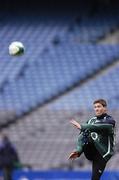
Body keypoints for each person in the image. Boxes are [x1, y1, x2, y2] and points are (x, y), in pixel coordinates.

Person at [69, 99, 116, 180]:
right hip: (91, 150)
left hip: (103, 154)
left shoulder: (109, 120)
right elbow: (81, 136)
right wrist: (78, 150)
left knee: (95, 178)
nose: (96, 109)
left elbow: (99, 127)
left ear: (105, 108)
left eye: (99, 106)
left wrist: (83, 127)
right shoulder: (91, 120)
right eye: (95, 107)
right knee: (86, 134)